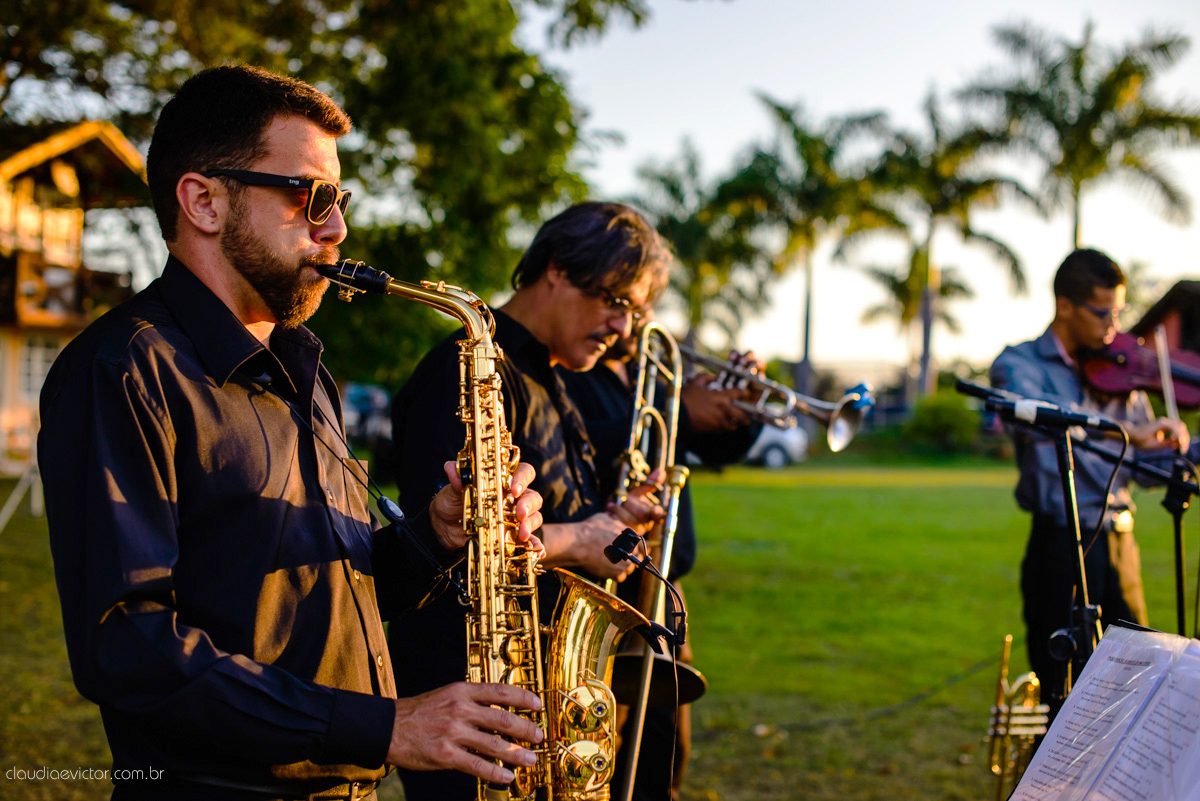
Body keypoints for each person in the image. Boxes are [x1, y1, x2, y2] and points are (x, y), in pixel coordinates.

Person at [38, 65, 549, 801]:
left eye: (339, 199)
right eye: (311, 196)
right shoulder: (121, 369)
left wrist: (436, 537)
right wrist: (388, 726)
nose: (337, 228)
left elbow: (326, 588)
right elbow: (127, 646)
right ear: (205, 200)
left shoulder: (306, 367)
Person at [388, 201, 672, 800]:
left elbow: (551, 515)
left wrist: (611, 526)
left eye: (636, 312)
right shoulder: (465, 371)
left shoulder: (557, 378)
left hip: (538, 691)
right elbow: (452, 544)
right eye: (617, 301)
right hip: (472, 703)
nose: (624, 328)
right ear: (558, 270)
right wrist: (580, 542)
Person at [558, 321, 762, 801]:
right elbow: (589, 442)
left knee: (663, 748)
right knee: (597, 743)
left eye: (646, 302)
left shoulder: (650, 373)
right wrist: (685, 413)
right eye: (628, 299)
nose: (637, 318)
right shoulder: (569, 368)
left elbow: (718, 448)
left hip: (664, 590)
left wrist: (744, 408)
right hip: (601, 585)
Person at [990, 248, 1192, 692]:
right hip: (1061, 544)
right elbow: (1046, 422)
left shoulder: (1123, 371)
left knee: (1136, 686)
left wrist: (1181, 446)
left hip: (1122, 546)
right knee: (1062, 689)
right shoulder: (1019, 364)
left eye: (1118, 313)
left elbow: (1145, 466)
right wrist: (1128, 432)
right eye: (1103, 313)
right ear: (1065, 306)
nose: (1114, 328)